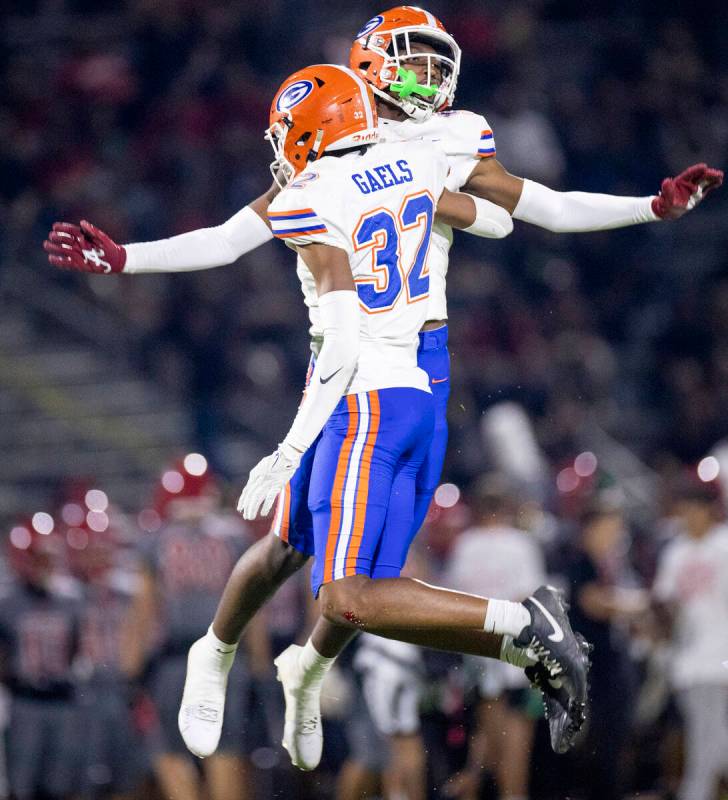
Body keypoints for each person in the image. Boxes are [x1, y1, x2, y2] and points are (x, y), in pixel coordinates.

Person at [41, 4, 723, 766]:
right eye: (412, 59)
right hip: (368, 368)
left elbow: (530, 210)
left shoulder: (423, 145)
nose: (429, 76)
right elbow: (241, 238)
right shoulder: (396, 157)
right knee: (307, 553)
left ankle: (308, 666)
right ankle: (224, 655)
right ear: (364, 69)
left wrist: (648, 207)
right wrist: (126, 258)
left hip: (398, 367)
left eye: (438, 61)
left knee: (354, 578)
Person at [235, 61, 588, 771]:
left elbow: (324, 335)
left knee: (347, 596)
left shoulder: (317, 190)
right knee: (367, 593)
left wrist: (286, 449)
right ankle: (515, 637)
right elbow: (509, 218)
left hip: (366, 396)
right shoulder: (419, 163)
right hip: (421, 387)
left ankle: (528, 626)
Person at [128, 454, 260, 800]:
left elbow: (143, 611)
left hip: (176, 662)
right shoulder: (235, 536)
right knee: (225, 750)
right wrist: (261, 668)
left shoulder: (156, 540)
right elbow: (254, 607)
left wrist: (131, 671)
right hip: (227, 658)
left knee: (171, 754)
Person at [443, 474, 547, 800]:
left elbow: (455, 600)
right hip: (516, 655)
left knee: (487, 741)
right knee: (516, 748)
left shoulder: (466, 545)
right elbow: (530, 599)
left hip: (479, 653)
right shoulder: (520, 543)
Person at [652, 476, 728, 800]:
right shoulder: (675, 551)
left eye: (695, 508)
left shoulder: (725, 544)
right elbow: (663, 601)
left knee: (704, 736)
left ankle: (692, 794)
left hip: (720, 654)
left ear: (708, 510)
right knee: (713, 737)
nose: (688, 515)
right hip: (687, 659)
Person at [0, 517, 82, 800]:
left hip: (63, 701)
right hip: (25, 703)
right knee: (22, 784)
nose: (45, 564)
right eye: (38, 557)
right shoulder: (7, 602)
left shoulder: (71, 597)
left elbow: (77, 647)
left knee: (61, 784)